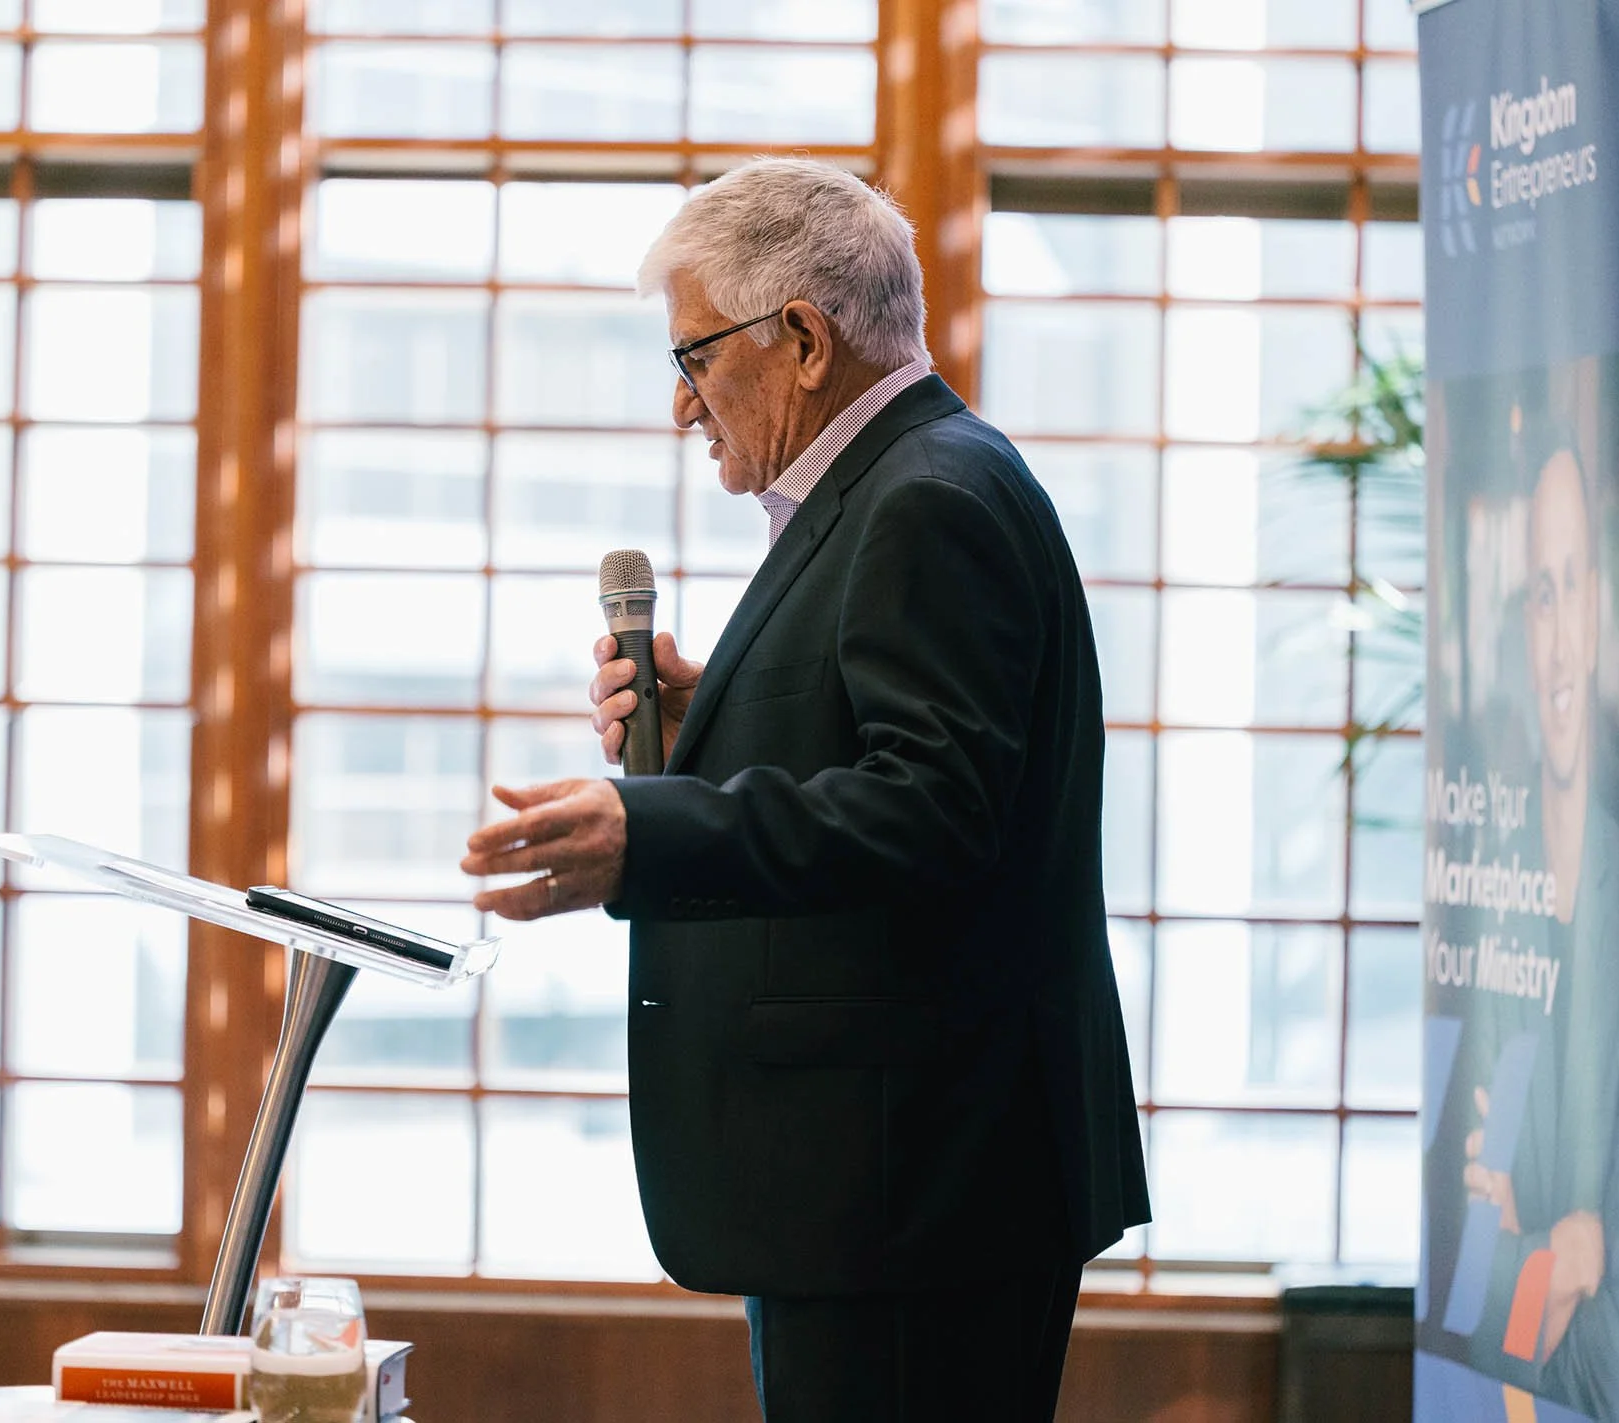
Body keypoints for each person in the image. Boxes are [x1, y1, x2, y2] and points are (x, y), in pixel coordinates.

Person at [459, 158, 1148, 1421]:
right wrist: (705, 714)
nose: (682, 407)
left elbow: (933, 809)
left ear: (802, 339)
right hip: (885, 1179)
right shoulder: (903, 483)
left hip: (915, 1186)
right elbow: (882, 754)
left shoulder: (926, 498)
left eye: (693, 359)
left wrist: (646, 832)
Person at [1455, 426, 1619, 1419]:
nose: (1561, 633)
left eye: (1576, 585)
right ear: (1520, 631)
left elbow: (1616, 1355)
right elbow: (1472, 1292)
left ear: (1604, 605)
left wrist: (1540, 1267)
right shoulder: (1494, 891)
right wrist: (1560, 1257)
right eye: (1540, 593)